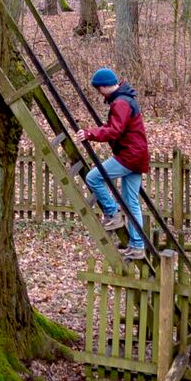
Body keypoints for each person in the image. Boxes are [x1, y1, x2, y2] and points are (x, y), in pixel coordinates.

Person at [75, 67, 149, 261]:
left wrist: (90, 134)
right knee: (131, 202)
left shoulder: (121, 103)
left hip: (129, 156)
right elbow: (113, 127)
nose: (99, 92)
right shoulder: (124, 100)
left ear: (106, 86)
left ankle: (112, 212)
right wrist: (96, 131)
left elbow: (115, 130)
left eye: (99, 88)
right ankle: (137, 245)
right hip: (137, 155)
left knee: (93, 177)